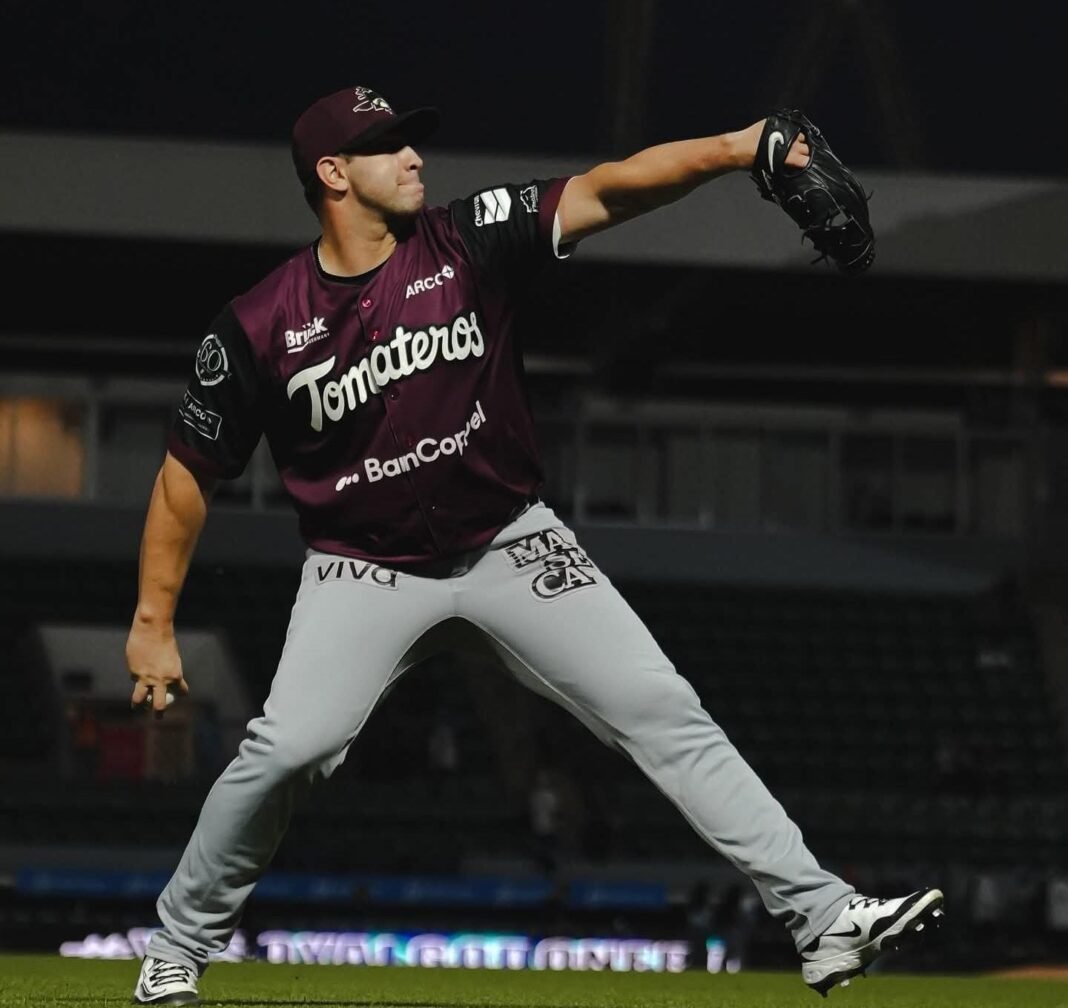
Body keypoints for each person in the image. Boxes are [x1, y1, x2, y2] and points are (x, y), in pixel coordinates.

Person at [127, 84, 943, 1005]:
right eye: (388, 147)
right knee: (283, 752)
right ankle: (176, 948)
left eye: (410, 143)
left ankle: (824, 918)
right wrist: (154, 620)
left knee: (662, 708)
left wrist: (736, 144)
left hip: (510, 543)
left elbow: (610, 188)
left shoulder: (466, 238)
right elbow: (184, 473)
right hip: (363, 568)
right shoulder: (259, 323)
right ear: (331, 174)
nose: (414, 158)